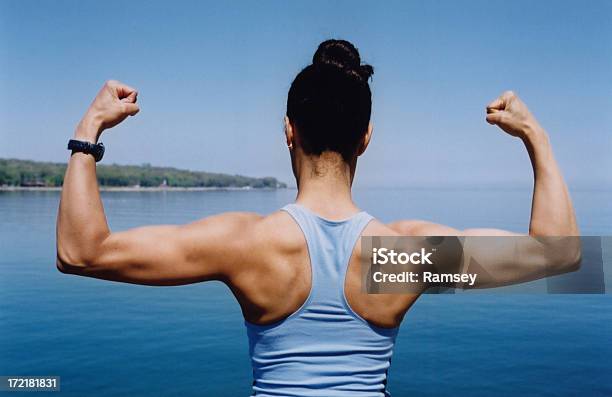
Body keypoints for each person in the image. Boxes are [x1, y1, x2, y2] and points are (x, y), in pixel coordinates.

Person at [56, 39, 580, 396]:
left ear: (289, 130)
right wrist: (538, 138)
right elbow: (559, 254)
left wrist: (90, 129)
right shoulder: (398, 257)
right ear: (366, 138)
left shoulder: (246, 244)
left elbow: (81, 252)